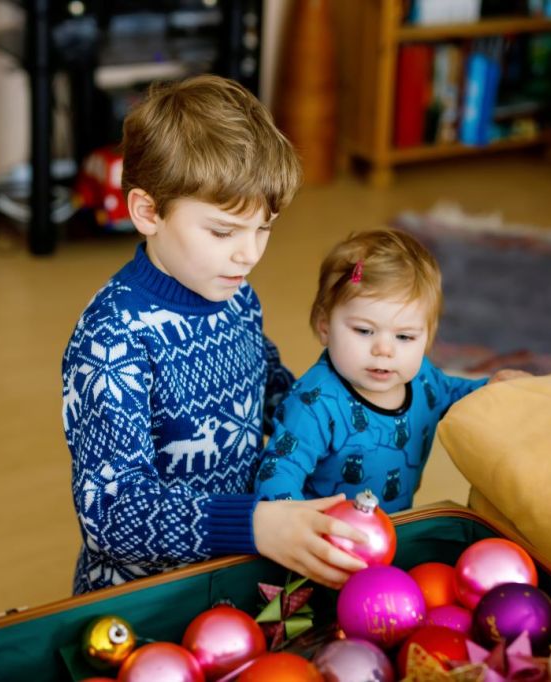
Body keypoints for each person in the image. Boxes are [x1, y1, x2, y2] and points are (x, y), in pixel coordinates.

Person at [61, 75, 367, 595]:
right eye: (224, 232)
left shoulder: (236, 296)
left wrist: (350, 422)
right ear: (147, 212)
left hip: (234, 570)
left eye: (263, 228)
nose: (248, 254)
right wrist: (254, 523)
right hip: (148, 597)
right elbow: (111, 512)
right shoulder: (110, 340)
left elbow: (270, 389)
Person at [255, 229, 528, 513]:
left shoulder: (423, 378)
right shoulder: (315, 404)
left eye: (405, 337)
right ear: (325, 326)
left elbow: (457, 394)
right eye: (364, 330)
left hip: (393, 528)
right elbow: (276, 473)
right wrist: (296, 524)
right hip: (324, 540)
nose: (384, 350)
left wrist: (494, 388)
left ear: (427, 338)